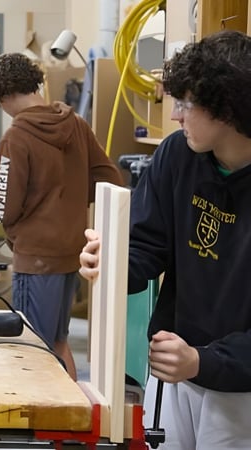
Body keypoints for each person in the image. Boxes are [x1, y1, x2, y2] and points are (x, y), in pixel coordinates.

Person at [79, 30, 251, 448]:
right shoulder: (177, 155)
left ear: (227, 107)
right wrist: (112, 263)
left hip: (242, 387)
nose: (174, 116)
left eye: (185, 104)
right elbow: (146, 247)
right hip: (174, 369)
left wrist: (203, 361)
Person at [0, 52, 122, 379]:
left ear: (6, 94)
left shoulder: (16, 137)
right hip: (70, 254)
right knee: (59, 341)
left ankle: (44, 427)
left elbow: (6, 209)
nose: (3, 111)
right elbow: (110, 180)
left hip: (36, 259)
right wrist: (69, 198)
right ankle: (70, 426)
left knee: (35, 349)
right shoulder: (75, 124)